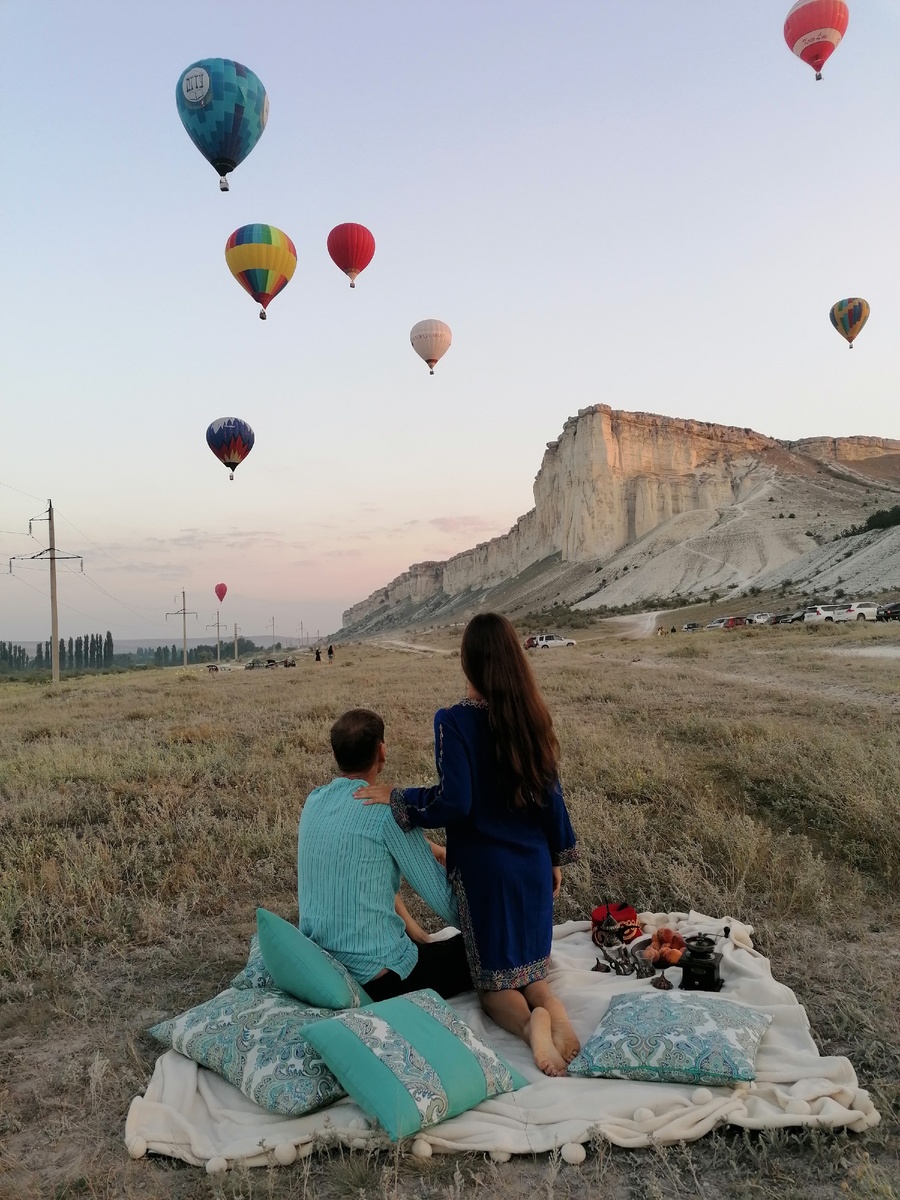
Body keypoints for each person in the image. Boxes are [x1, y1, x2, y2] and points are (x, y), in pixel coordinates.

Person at [356, 612, 580, 1076]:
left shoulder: (453, 721)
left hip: (487, 875)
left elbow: (455, 802)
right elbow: (551, 797)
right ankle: (554, 1012)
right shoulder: (532, 715)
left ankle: (530, 1029)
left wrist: (399, 798)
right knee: (533, 974)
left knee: (494, 986)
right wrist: (555, 857)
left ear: (468, 663)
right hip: (532, 867)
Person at [297, 708, 472, 1002]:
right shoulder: (390, 813)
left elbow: (357, 848)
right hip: (379, 978)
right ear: (382, 751)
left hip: (324, 965)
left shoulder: (314, 801)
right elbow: (452, 908)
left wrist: (429, 848)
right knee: (481, 952)